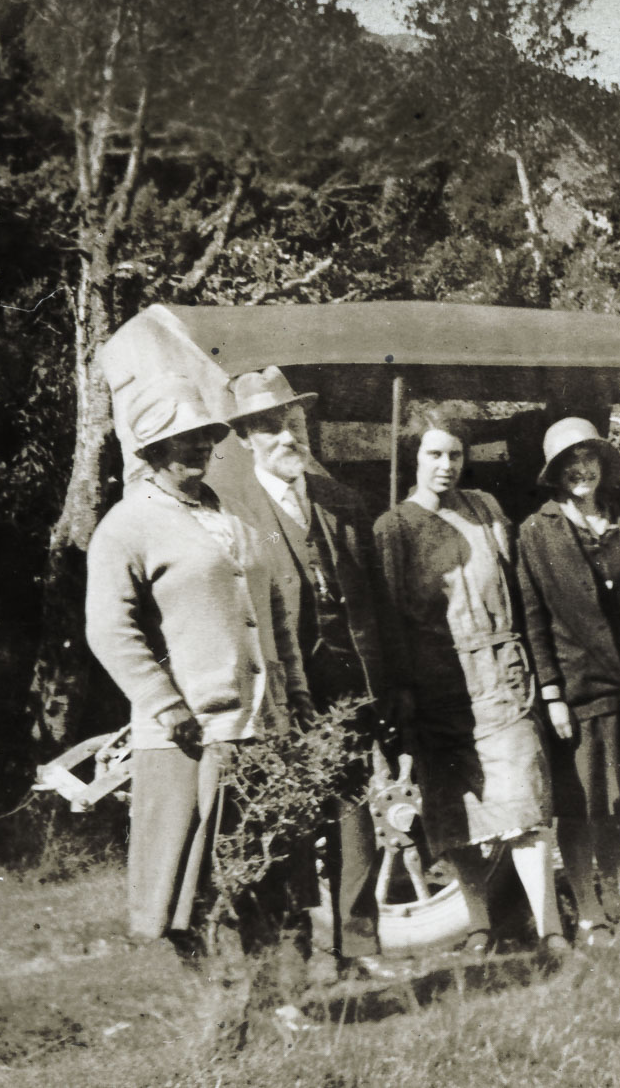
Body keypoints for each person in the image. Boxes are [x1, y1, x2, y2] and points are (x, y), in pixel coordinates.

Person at [85, 374, 309, 945]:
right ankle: (212, 991)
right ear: (152, 451)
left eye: (205, 436)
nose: (200, 447)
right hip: (188, 736)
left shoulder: (237, 516)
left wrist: (295, 693)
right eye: (183, 439)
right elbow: (109, 629)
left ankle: (273, 985)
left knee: (264, 872)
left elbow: (276, 614)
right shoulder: (128, 525)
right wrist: (165, 704)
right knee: (192, 887)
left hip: (260, 726)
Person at [221, 366, 397, 977]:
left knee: (354, 819)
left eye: (293, 421)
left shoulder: (341, 502)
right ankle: (291, 960)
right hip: (277, 693)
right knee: (285, 824)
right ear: (245, 439)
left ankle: (358, 949)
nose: (286, 436)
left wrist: (382, 685)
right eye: (269, 427)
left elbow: (375, 604)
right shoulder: (232, 511)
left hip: (345, 689)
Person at [374, 410, 566, 956]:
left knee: (524, 805)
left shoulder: (484, 509)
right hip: (440, 687)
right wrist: (405, 694)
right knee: (456, 814)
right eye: (434, 454)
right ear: (414, 457)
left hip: (502, 676)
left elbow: (518, 587)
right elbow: (390, 619)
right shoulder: (394, 527)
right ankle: (479, 924)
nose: (446, 465)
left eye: (455, 454)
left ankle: (550, 929)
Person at [517, 417, 620, 948]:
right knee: (577, 805)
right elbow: (533, 617)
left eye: (588, 458)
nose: (581, 470)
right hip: (574, 690)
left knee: (613, 803)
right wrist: (551, 692)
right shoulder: (536, 531)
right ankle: (589, 914)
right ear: (554, 473)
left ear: (603, 463)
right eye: (568, 463)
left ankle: (618, 903)